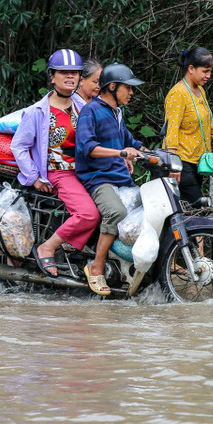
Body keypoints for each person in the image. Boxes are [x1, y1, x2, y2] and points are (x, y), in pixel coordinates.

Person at [11, 49, 100, 277]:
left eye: (75, 73)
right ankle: (48, 247)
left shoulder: (83, 106)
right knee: (88, 214)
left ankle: (75, 247)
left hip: (85, 171)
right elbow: (18, 146)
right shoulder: (37, 112)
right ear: (52, 77)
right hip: (59, 172)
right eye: (63, 72)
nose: (70, 76)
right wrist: (34, 177)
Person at [75, 62, 152, 296]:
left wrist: (156, 154)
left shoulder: (116, 112)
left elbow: (131, 142)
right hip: (99, 179)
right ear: (112, 87)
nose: (131, 92)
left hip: (120, 179)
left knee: (149, 207)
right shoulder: (91, 111)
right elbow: (87, 147)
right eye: (127, 87)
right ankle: (96, 266)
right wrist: (121, 153)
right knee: (116, 212)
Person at [162, 47, 213, 206]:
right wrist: (174, 167)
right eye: (205, 71)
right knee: (196, 207)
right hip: (181, 162)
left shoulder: (199, 91)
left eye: (210, 71)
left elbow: (209, 127)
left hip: (197, 163)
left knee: (190, 209)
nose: (208, 76)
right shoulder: (178, 93)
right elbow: (171, 131)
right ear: (191, 68)